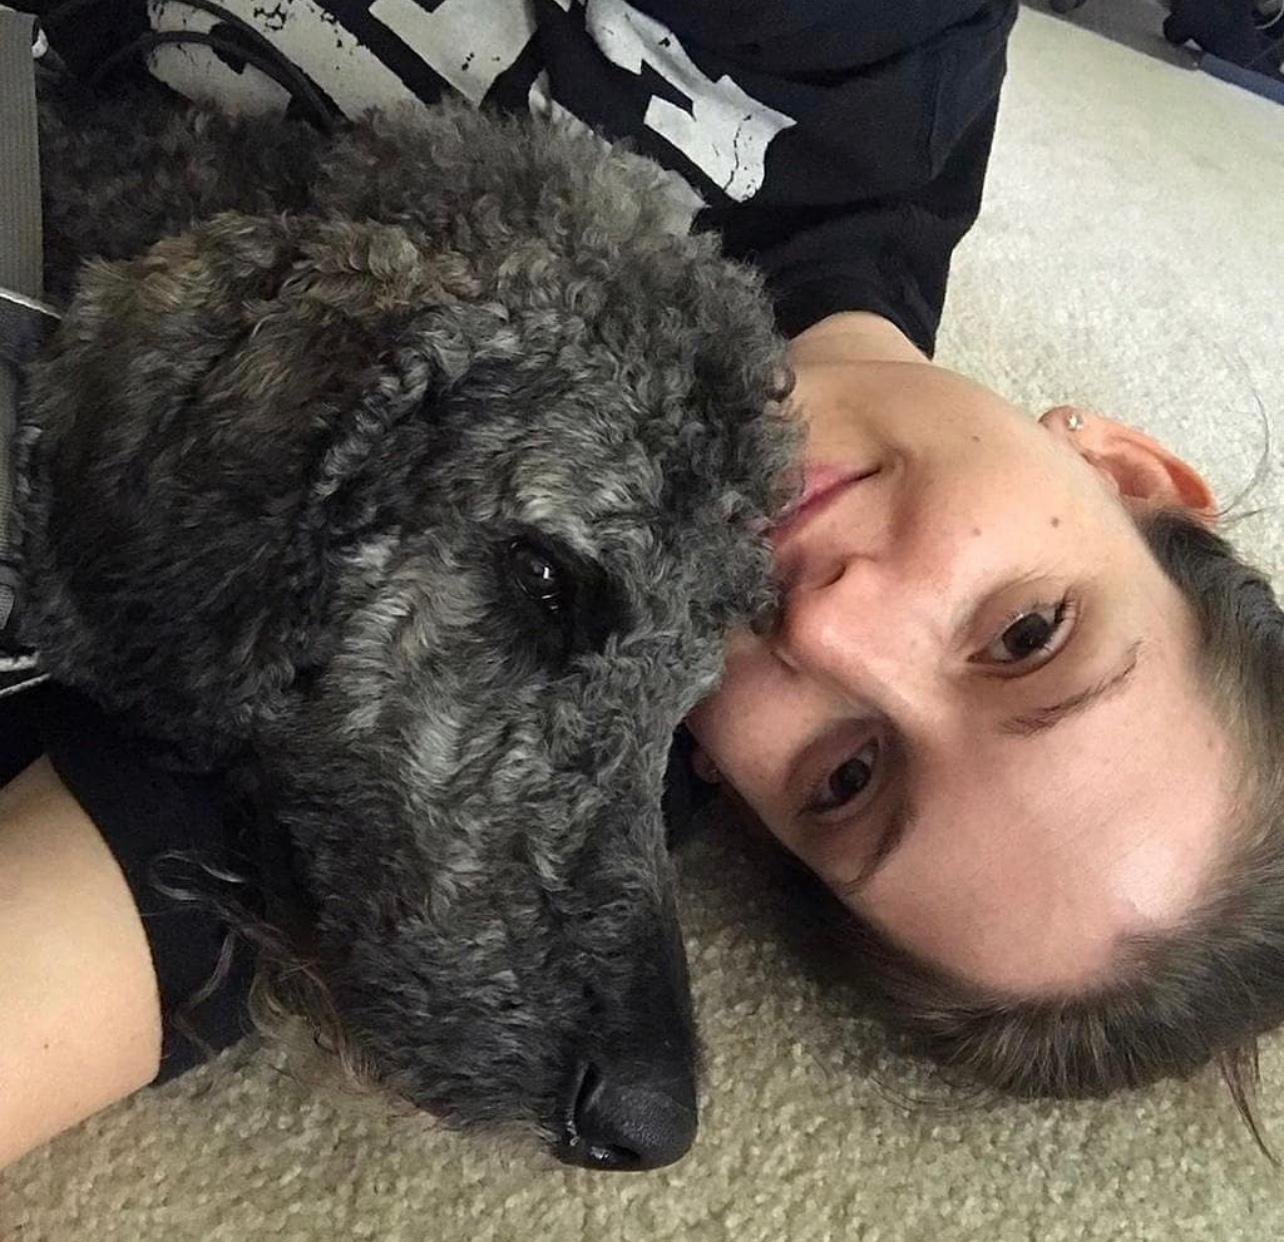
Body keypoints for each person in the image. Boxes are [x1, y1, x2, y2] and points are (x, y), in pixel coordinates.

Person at [3, 0, 1281, 1168]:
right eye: (1026, 632)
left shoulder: (579, 735)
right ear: (1126, 471)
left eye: (849, 778)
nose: (833, 623)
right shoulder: (867, 55)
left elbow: (88, 945)